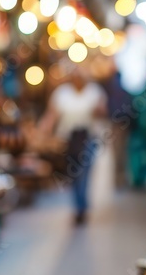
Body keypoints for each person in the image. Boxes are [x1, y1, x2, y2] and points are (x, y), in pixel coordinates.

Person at [39, 63, 107, 224]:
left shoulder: (94, 92)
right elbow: (52, 115)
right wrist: (43, 131)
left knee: (84, 172)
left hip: (87, 138)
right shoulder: (61, 93)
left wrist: (99, 110)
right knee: (73, 174)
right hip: (67, 140)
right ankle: (79, 204)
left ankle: (81, 207)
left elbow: (103, 112)